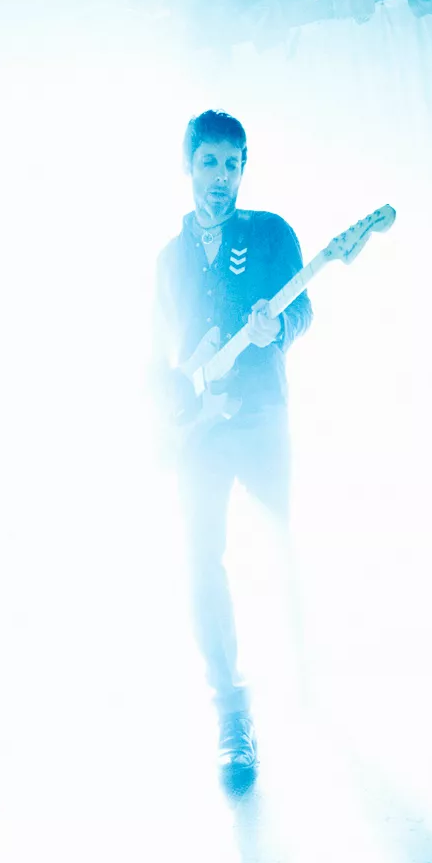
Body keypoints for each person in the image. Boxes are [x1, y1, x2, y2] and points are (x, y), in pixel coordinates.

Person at [154, 110, 312, 777]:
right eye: (210, 162)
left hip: (262, 415)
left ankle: (307, 675)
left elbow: (302, 309)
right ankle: (232, 715)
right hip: (201, 429)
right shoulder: (168, 260)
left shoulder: (272, 233)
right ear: (188, 165)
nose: (221, 176)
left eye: (232, 163)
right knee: (201, 563)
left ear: (244, 169)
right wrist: (184, 380)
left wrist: (276, 329)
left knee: (283, 544)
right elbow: (160, 354)